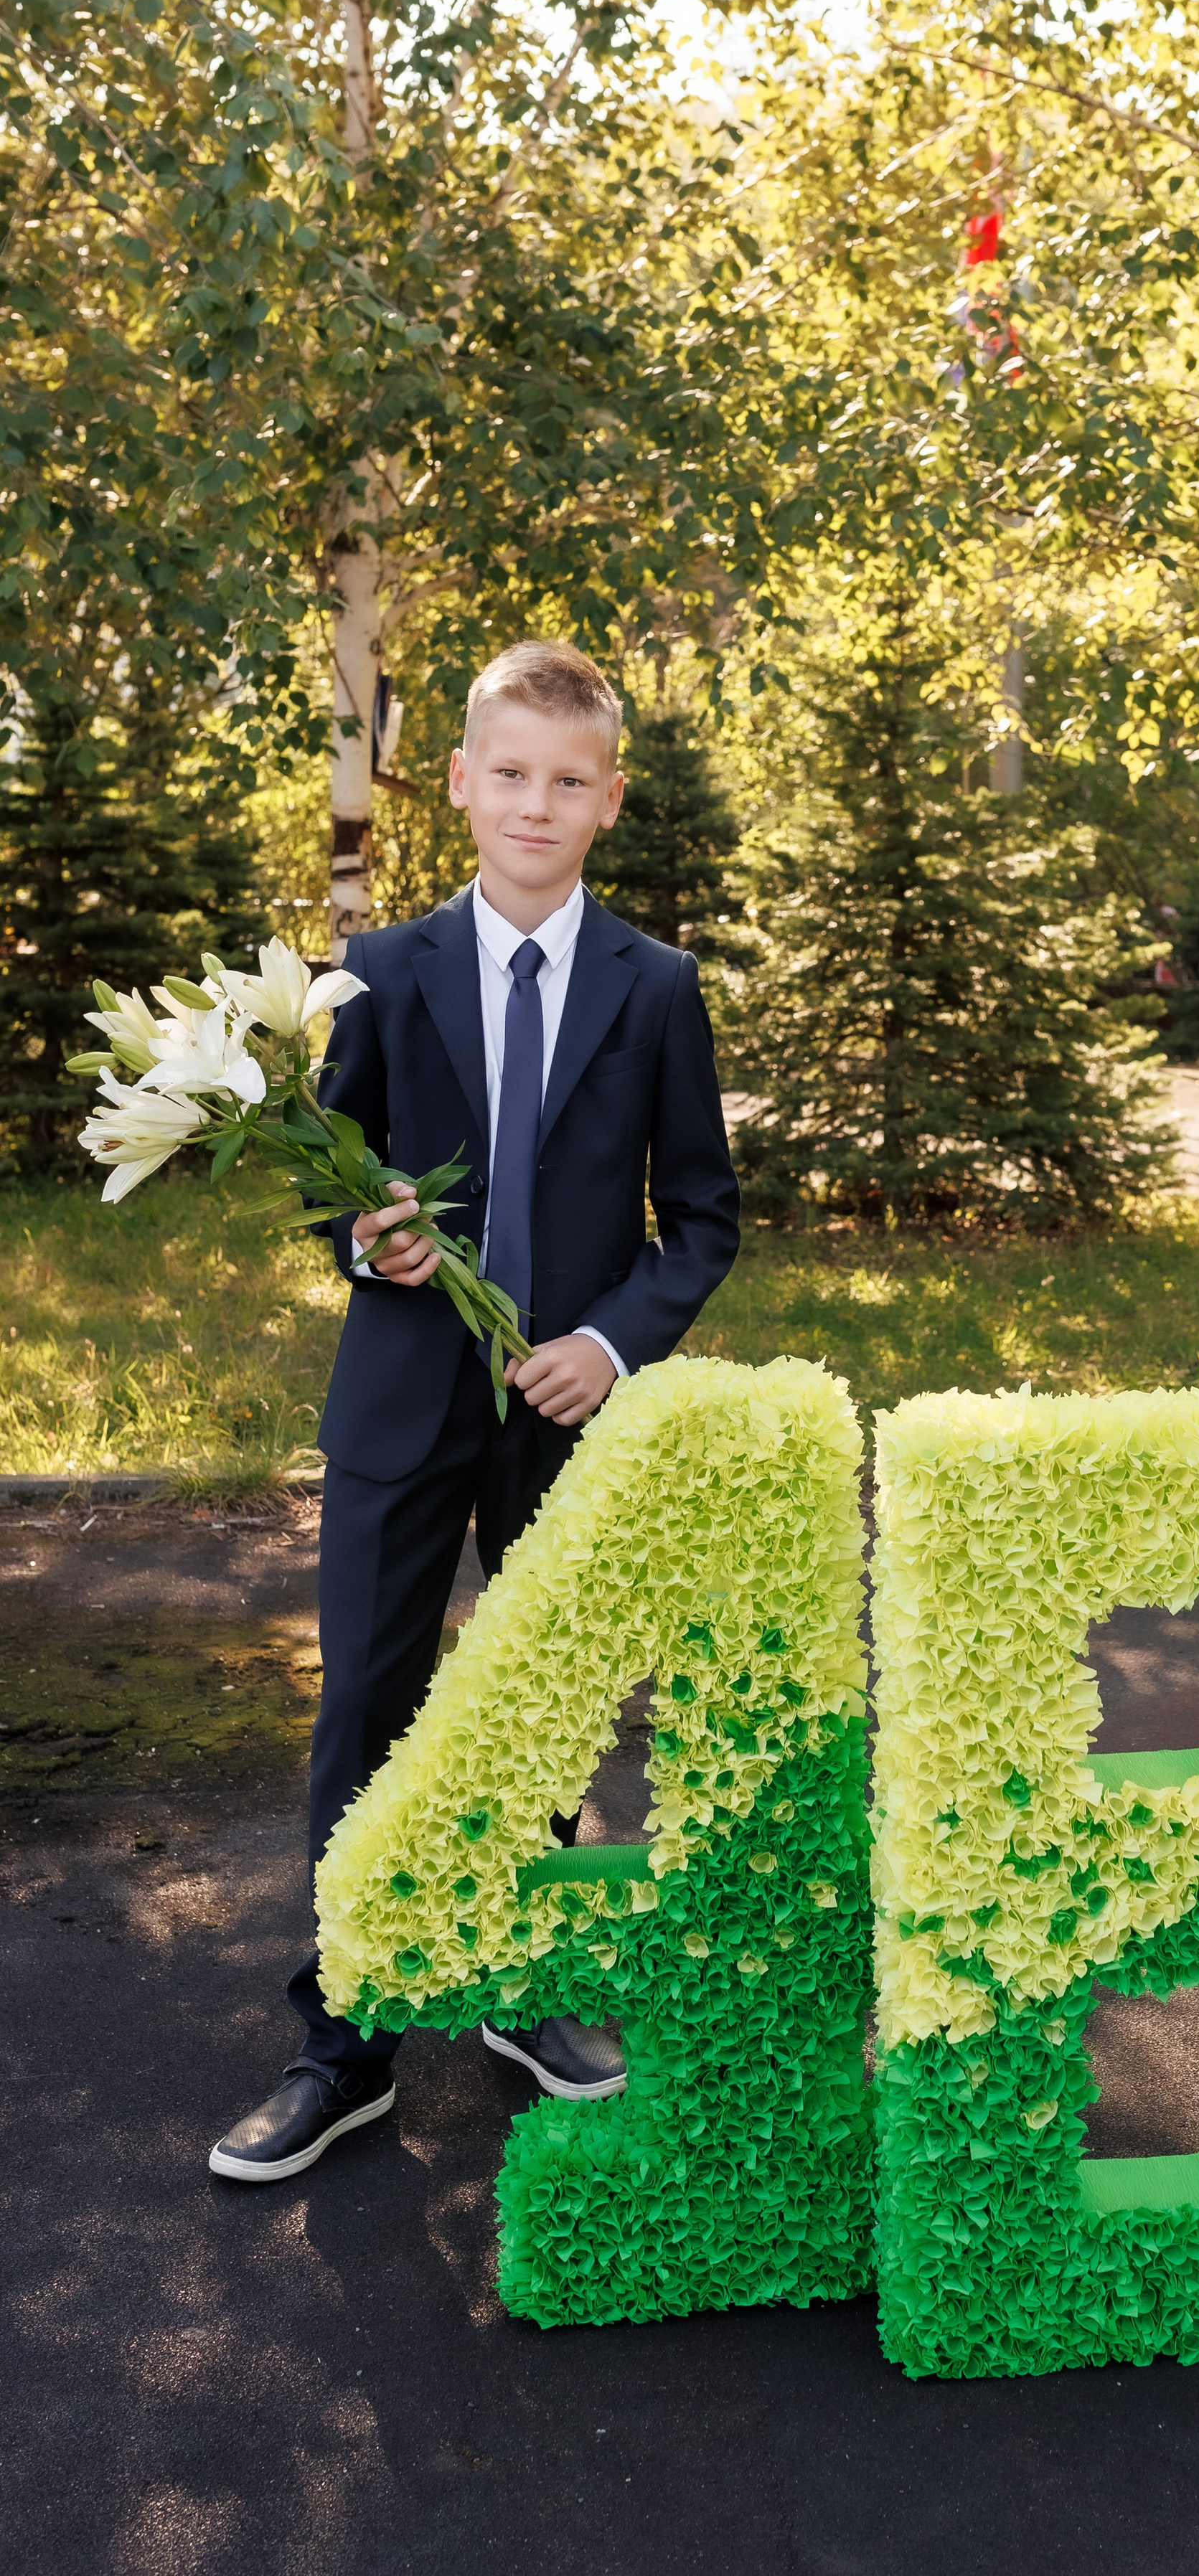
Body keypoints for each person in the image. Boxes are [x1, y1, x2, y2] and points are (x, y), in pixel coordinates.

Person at [210, 641, 740, 2184]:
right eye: (508, 773)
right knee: (364, 1712)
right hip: (397, 1396)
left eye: (567, 782)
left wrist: (609, 1342)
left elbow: (699, 1218)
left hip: (560, 1405)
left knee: (538, 1707)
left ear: (607, 802)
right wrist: (362, 1238)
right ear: (457, 781)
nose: (533, 802)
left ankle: (523, 1984)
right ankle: (343, 2037)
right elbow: (343, 1178)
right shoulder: (377, 974)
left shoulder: (655, 988)